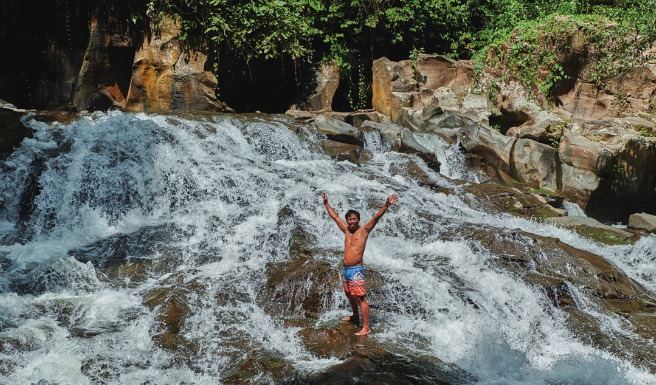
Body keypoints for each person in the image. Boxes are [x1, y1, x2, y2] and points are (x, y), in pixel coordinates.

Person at [321, 192, 399, 335]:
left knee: (361, 298)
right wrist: (326, 204)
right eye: (349, 219)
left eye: (354, 219)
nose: (351, 221)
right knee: (349, 294)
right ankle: (355, 317)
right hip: (346, 270)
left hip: (356, 269)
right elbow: (335, 217)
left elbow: (376, 218)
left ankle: (366, 327)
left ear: (358, 219)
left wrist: (386, 205)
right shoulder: (346, 230)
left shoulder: (364, 231)